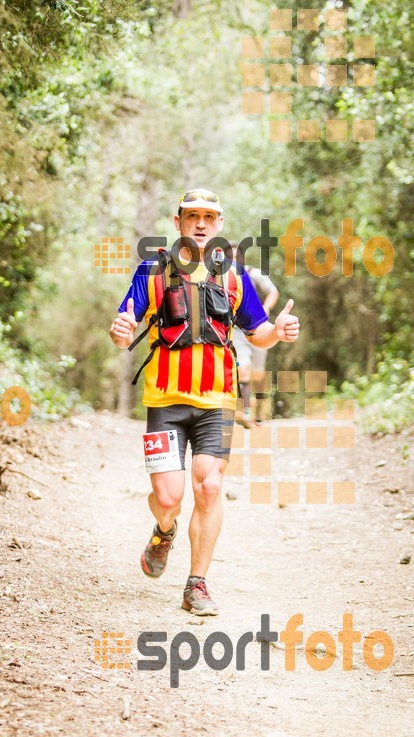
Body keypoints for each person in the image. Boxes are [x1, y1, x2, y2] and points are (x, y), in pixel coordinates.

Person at [109, 189, 299, 615]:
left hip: (218, 400)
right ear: (177, 223)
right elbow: (124, 326)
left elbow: (258, 332)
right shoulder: (150, 270)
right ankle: (164, 530)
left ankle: (197, 584)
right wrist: (120, 332)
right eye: (191, 216)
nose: (200, 223)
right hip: (165, 400)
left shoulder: (234, 276)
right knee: (168, 496)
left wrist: (279, 331)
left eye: (208, 217)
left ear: (219, 225)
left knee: (209, 486)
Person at [226, 242, 279, 427]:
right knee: (244, 369)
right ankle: (245, 413)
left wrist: (264, 308)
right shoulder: (221, 279)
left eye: (236, 257)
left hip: (257, 329)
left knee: (258, 374)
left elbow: (273, 291)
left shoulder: (254, 274)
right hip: (237, 332)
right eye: (229, 257)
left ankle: (260, 412)